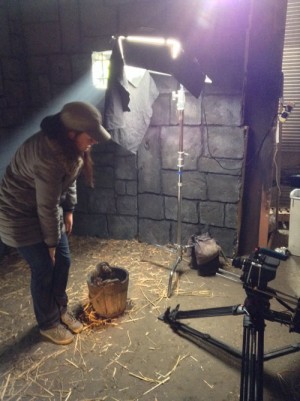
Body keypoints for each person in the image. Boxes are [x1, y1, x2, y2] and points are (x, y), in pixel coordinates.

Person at [0, 101, 111, 345]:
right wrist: (50, 244)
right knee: (43, 268)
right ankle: (47, 323)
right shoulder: (46, 155)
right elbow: (47, 206)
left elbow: (69, 178)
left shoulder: (70, 148)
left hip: (42, 208)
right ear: (71, 133)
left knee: (64, 259)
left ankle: (60, 308)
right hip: (17, 214)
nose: (93, 141)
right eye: (90, 136)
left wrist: (69, 209)